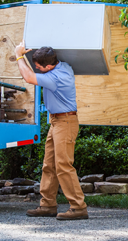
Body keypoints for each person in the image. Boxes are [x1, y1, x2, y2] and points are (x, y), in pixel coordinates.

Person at [14, 41, 88, 220]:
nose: (37, 69)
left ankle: (78, 207)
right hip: (56, 121)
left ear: (49, 65)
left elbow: (29, 77)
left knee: (63, 165)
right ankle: (48, 205)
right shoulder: (62, 65)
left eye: (39, 66)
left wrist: (18, 55)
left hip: (66, 121)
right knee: (49, 165)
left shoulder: (57, 78)